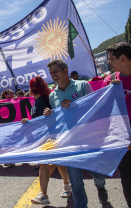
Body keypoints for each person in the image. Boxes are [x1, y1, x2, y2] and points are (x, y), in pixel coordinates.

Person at [43, 59, 108, 207]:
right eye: (51, 73)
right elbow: (58, 118)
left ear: (65, 70)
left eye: (56, 71)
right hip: (69, 142)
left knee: (97, 173)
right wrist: (49, 114)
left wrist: (75, 105)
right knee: (76, 182)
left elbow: (93, 108)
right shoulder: (53, 96)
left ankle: (100, 186)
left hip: (88, 139)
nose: (53, 75)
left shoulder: (83, 85)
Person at [21, 76, 71, 205]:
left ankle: (47, 193)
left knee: (50, 163)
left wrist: (31, 122)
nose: (29, 89)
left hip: (49, 137)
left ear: (34, 88)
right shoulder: (39, 100)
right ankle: (62, 187)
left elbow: (45, 120)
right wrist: (29, 121)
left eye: (30, 86)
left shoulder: (42, 100)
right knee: (55, 163)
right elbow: (40, 119)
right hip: (45, 137)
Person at [102, 42, 131, 207]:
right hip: (123, 139)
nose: (108, 62)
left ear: (123, 58)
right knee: (128, 181)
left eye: (111, 58)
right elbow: (104, 111)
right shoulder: (110, 80)